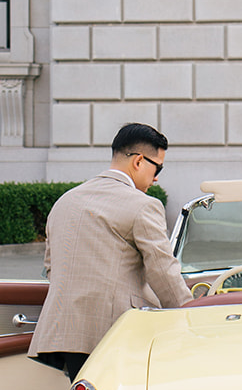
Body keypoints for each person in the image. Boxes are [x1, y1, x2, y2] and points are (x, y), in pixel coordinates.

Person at [29, 122, 192, 377]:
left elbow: (52, 267)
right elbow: (162, 271)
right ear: (138, 161)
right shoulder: (143, 205)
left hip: (65, 333)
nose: (157, 177)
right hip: (118, 332)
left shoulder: (65, 201)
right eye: (157, 167)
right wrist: (190, 315)